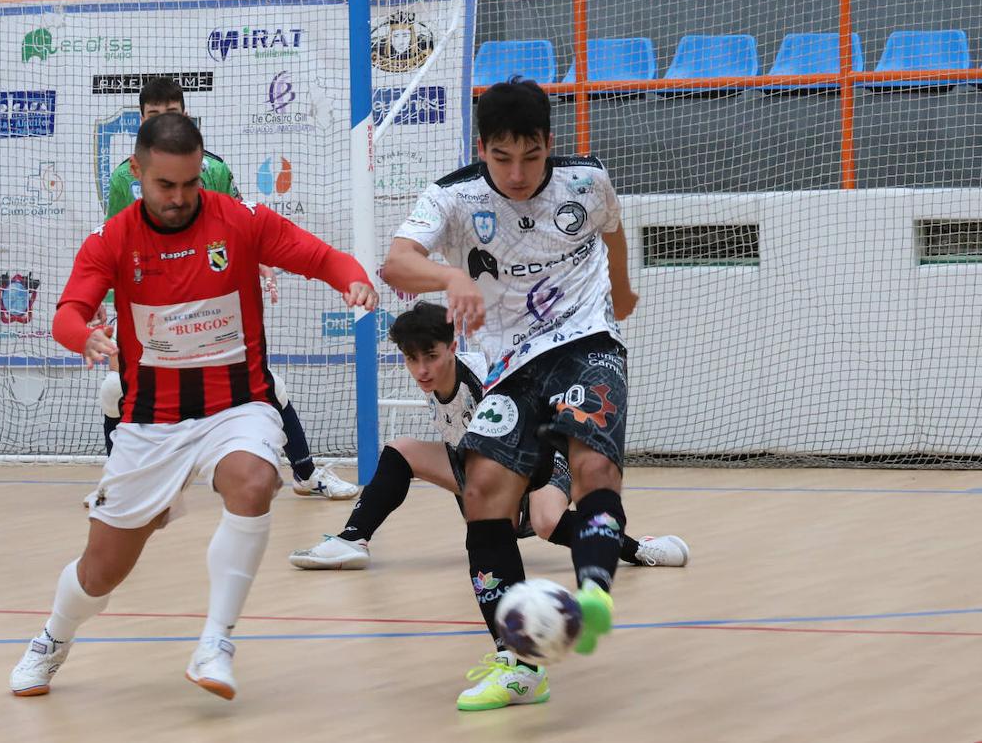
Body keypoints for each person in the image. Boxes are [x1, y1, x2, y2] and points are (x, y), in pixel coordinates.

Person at [9, 112, 378, 699]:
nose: (179, 198)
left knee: (255, 482)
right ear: (137, 172)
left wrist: (353, 279)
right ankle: (53, 638)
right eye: (165, 186)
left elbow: (321, 257)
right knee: (101, 571)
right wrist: (86, 337)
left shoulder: (240, 220)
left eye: (190, 183)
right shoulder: (112, 239)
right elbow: (66, 314)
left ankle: (216, 641)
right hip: (149, 422)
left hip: (237, 405)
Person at [382, 79, 639, 710]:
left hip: (585, 342)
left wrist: (623, 289)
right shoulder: (453, 196)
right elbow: (394, 262)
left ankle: (595, 590)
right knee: (482, 497)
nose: (518, 172)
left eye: (531, 156)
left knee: (592, 463)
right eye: (503, 158)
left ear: (549, 143)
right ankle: (519, 664)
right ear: (483, 148)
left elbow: (612, 230)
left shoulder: (587, 181)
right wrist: (447, 275)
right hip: (506, 367)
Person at [99, 78, 358, 499]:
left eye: (173, 113)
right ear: (140, 119)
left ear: (187, 115)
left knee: (267, 385)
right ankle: (122, 486)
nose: (165, 121)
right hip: (148, 307)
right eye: (154, 115)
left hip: (211, 299)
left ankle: (307, 474)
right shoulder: (121, 179)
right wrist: (102, 305)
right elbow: (111, 245)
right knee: (117, 390)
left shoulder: (213, 169)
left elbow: (237, 227)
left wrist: (259, 264)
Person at [288, 301, 687, 572]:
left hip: (542, 460)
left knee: (547, 522)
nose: (422, 369)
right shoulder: (434, 386)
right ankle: (352, 539)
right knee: (400, 451)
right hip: (481, 464)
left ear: (452, 346)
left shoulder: (485, 379)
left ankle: (638, 550)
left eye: (431, 356)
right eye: (412, 359)